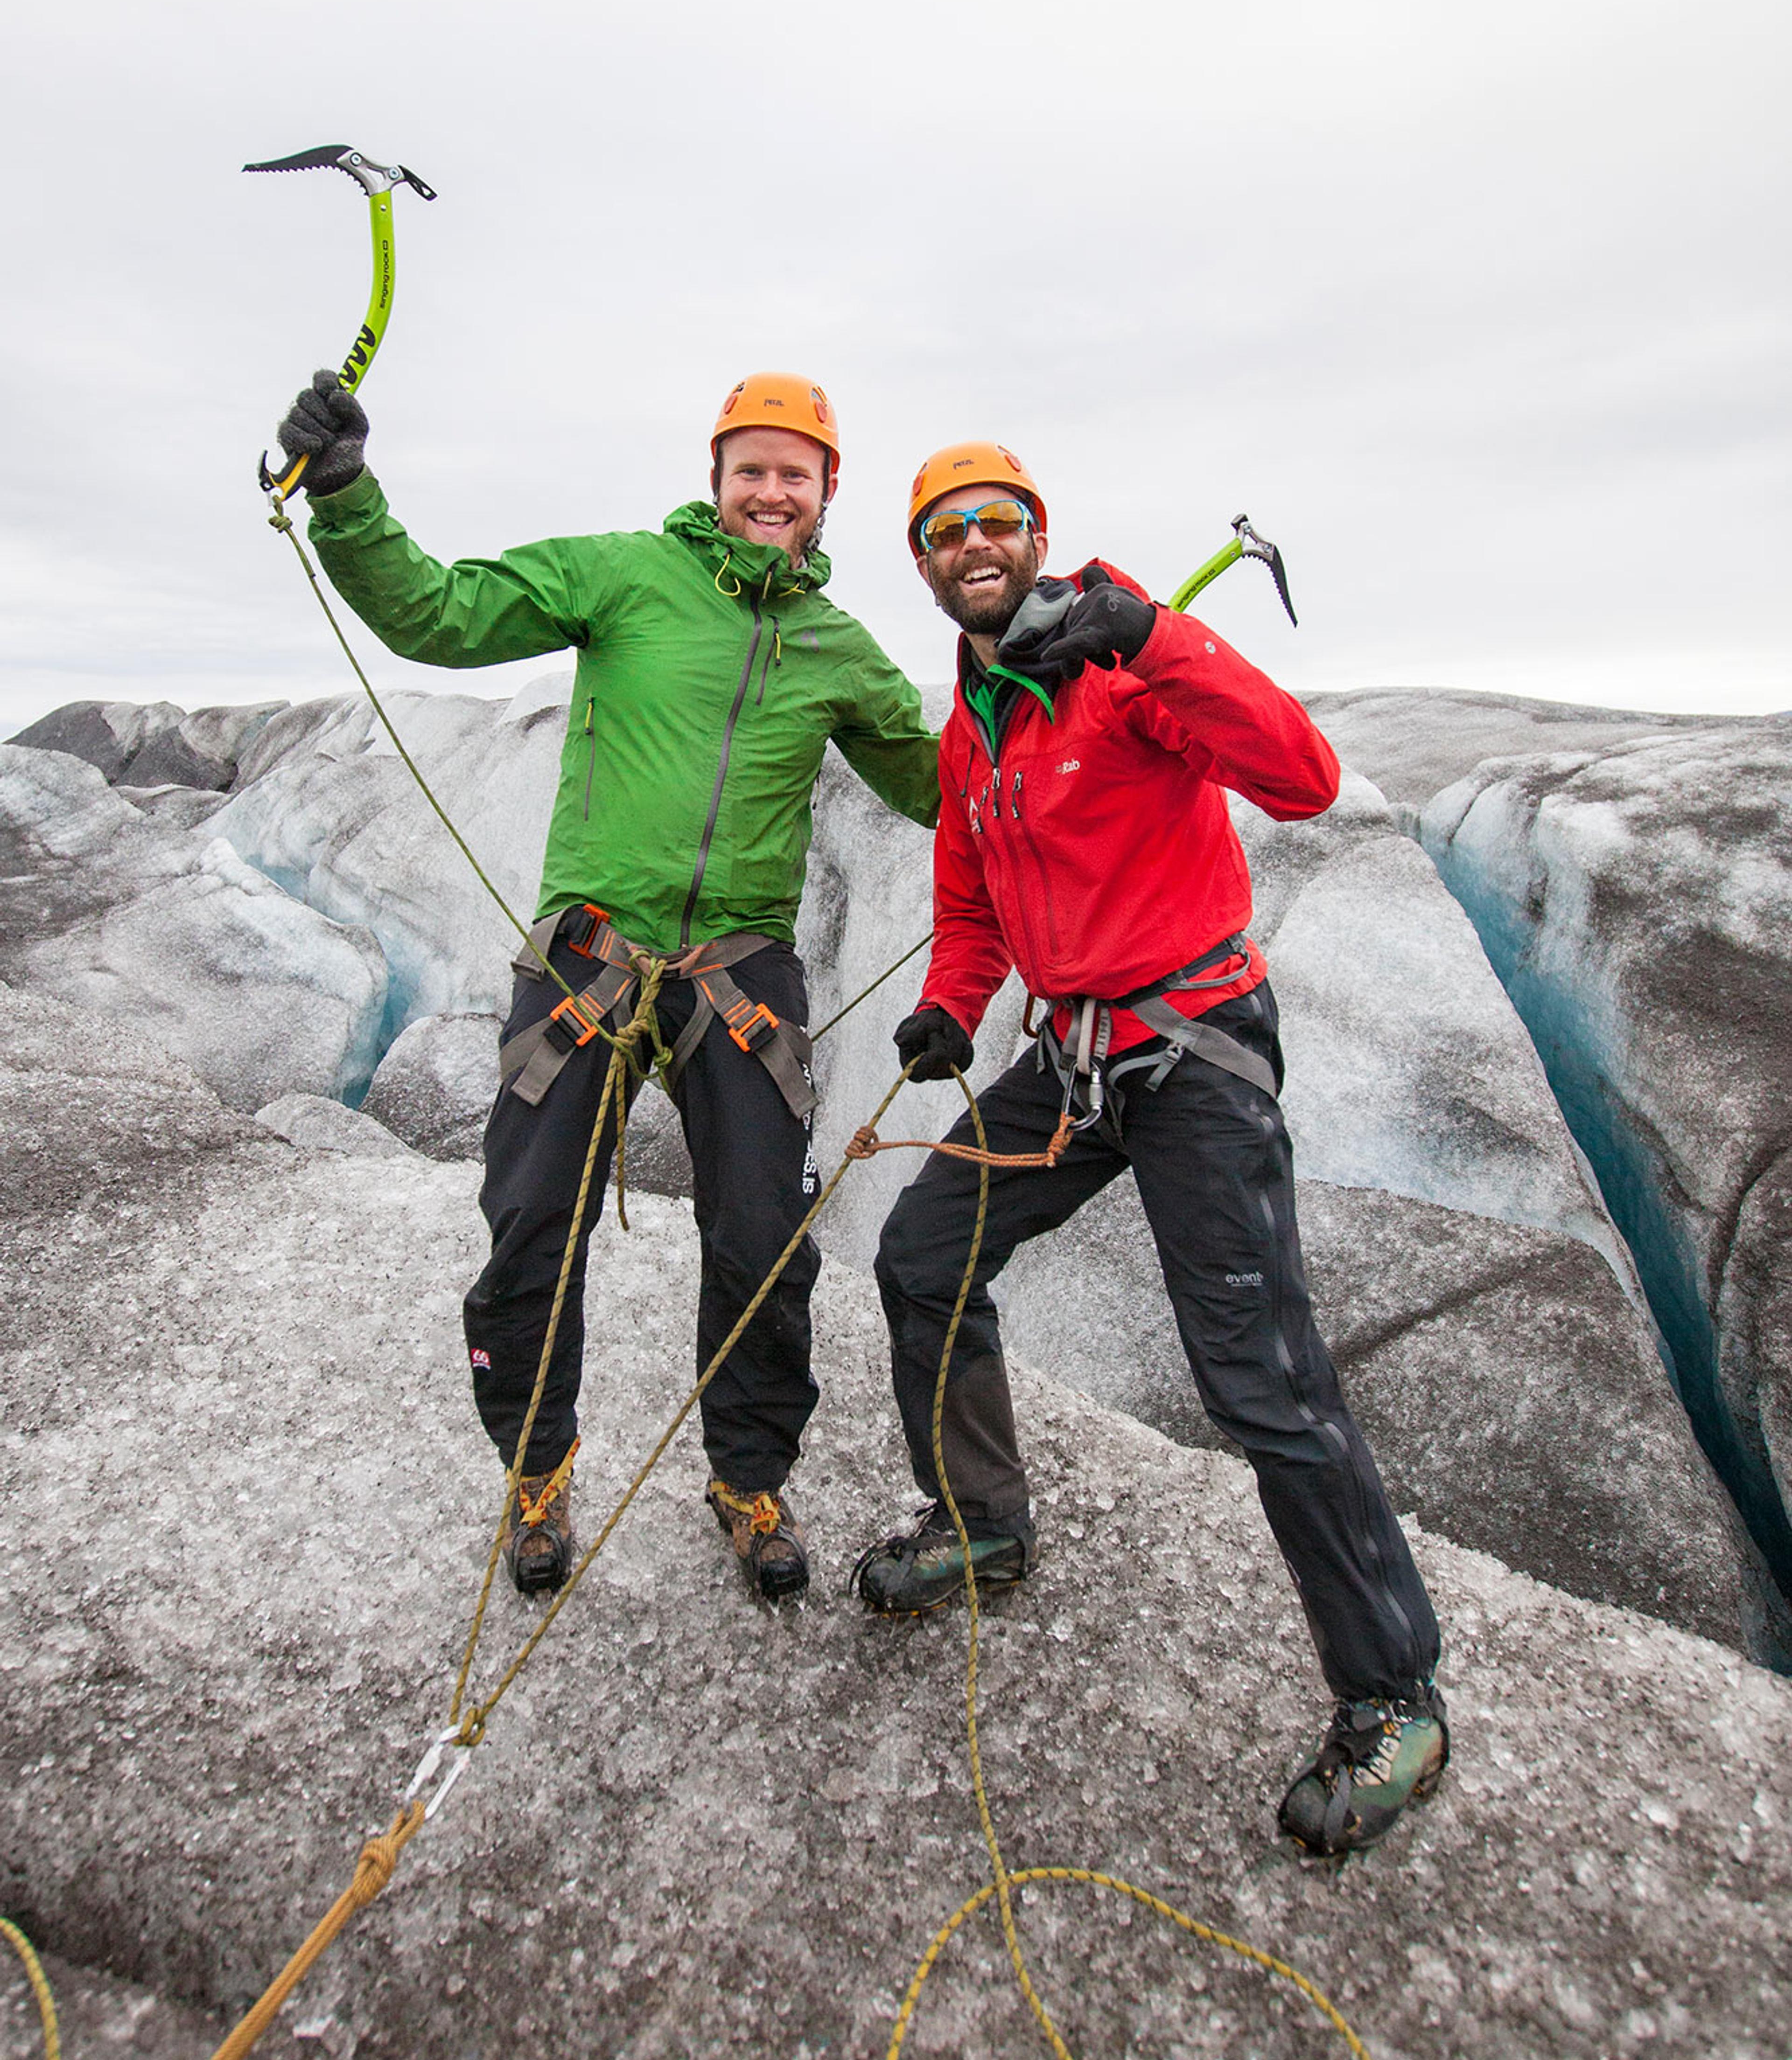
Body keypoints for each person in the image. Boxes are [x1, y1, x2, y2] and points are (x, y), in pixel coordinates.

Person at [852, 441, 1448, 1857]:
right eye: (946, 528)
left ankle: (1395, 1693)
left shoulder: (1123, 671)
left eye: (998, 519)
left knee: (1258, 1374)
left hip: (1192, 1055)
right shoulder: (972, 727)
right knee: (921, 1252)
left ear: (1036, 536)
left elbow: (1302, 775)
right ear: (927, 561)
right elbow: (973, 898)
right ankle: (984, 1519)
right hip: (1069, 1064)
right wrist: (951, 1008)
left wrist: (1151, 630)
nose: (974, 541)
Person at [273, 367, 939, 1600]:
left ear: (828, 491)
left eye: (796, 472)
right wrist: (348, 495)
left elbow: (945, 788)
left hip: (741, 972)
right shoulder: (625, 574)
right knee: (532, 1222)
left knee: (761, 1236)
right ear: (718, 478)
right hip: (587, 954)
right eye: (753, 468)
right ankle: (539, 1468)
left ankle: (748, 1478)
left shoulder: (838, 649)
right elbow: (443, 613)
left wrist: (1067, 712)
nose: (772, 489)